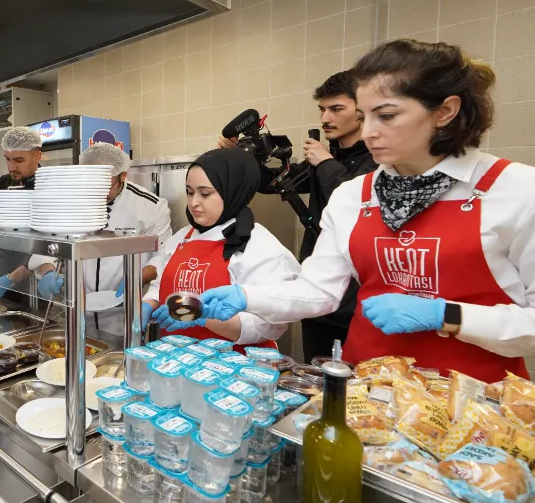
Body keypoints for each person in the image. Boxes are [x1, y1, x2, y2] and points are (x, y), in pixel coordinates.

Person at [199, 39, 535, 382]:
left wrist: (447, 315)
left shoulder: (516, 190)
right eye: (365, 116)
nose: (370, 132)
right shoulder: (352, 196)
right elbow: (320, 292)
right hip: (368, 389)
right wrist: (247, 296)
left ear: (445, 111)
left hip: (477, 402)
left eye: (386, 115)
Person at [219, 72, 376, 361]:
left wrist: (325, 163)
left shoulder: (375, 160)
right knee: (316, 370)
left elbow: (358, 202)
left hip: (357, 298)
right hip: (315, 287)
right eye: (322, 109)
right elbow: (273, 184)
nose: (325, 118)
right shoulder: (325, 160)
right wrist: (241, 157)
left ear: (363, 111)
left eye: (336, 109)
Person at [141, 148, 301, 352]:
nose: (193, 202)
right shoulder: (181, 237)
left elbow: (270, 326)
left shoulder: (259, 246)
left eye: (205, 193)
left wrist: (202, 318)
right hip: (176, 364)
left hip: (234, 371)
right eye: (189, 192)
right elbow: (162, 284)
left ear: (232, 191)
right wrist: (148, 303)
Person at [29, 142, 172, 336]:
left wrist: (137, 278)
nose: (95, 191)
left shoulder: (151, 207)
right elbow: (48, 241)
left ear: (123, 176)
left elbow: (163, 255)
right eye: (90, 182)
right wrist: (48, 272)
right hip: (74, 309)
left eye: (104, 184)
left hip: (122, 315)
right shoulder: (68, 201)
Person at [0, 127, 55, 300]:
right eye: (7, 159)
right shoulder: (3, 182)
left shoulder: (49, 185)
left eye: (19, 160)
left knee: (31, 316)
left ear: (37, 156)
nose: (11, 167)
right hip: (2, 261)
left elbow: (50, 240)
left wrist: (14, 276)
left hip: (33, 266)